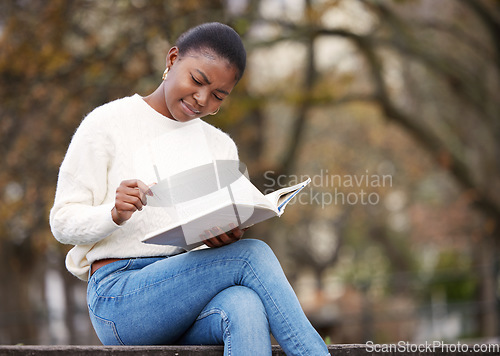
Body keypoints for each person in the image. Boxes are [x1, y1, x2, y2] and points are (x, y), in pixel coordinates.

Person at [50, 22, 330, 356]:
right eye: (197, 81)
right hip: (120, 298)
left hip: (187, 297)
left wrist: (222, 237)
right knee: (252, 256)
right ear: (172, 60)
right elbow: (62, 222)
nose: (201, 99)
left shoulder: (220, 146)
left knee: (244, 304)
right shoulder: (106, 124)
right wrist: (112, 212)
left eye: (218, 96)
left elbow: (198, 252)